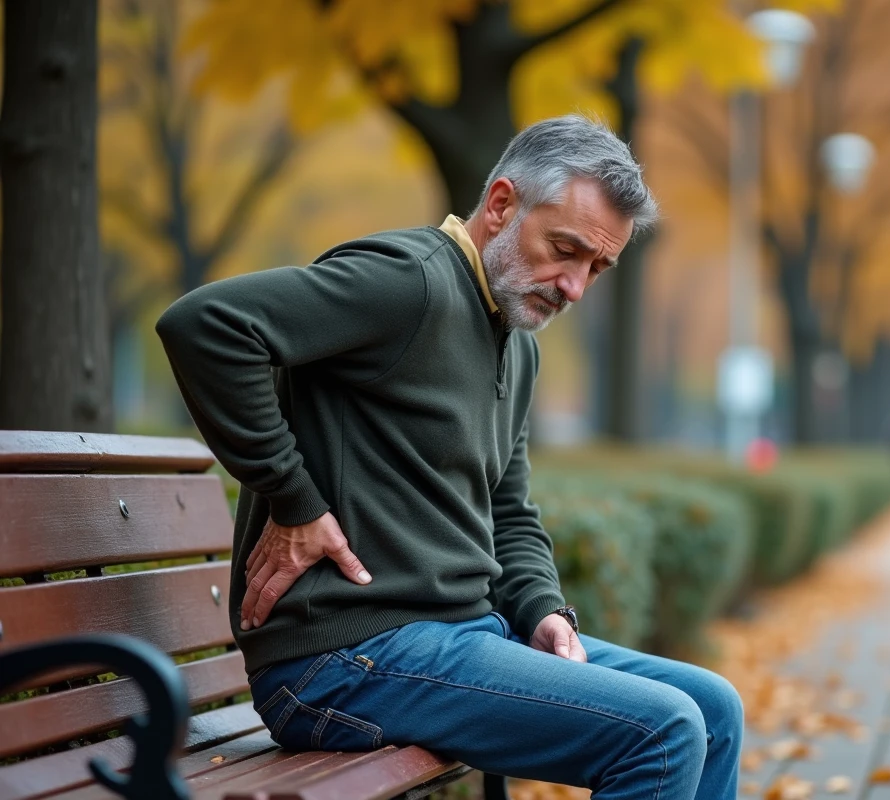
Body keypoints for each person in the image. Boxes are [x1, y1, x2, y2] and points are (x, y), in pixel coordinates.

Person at [156, 116, 742, 800]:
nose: (575, 286)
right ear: (501, 205)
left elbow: (508, 511)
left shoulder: (517, 344)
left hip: (458, 636)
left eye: (596, 267)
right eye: (565, 249)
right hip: (340, 660)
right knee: (664, 730)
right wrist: (294, 501)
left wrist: (543, 610)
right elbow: (206, 327)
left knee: (714, 711)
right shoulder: (409, 282)